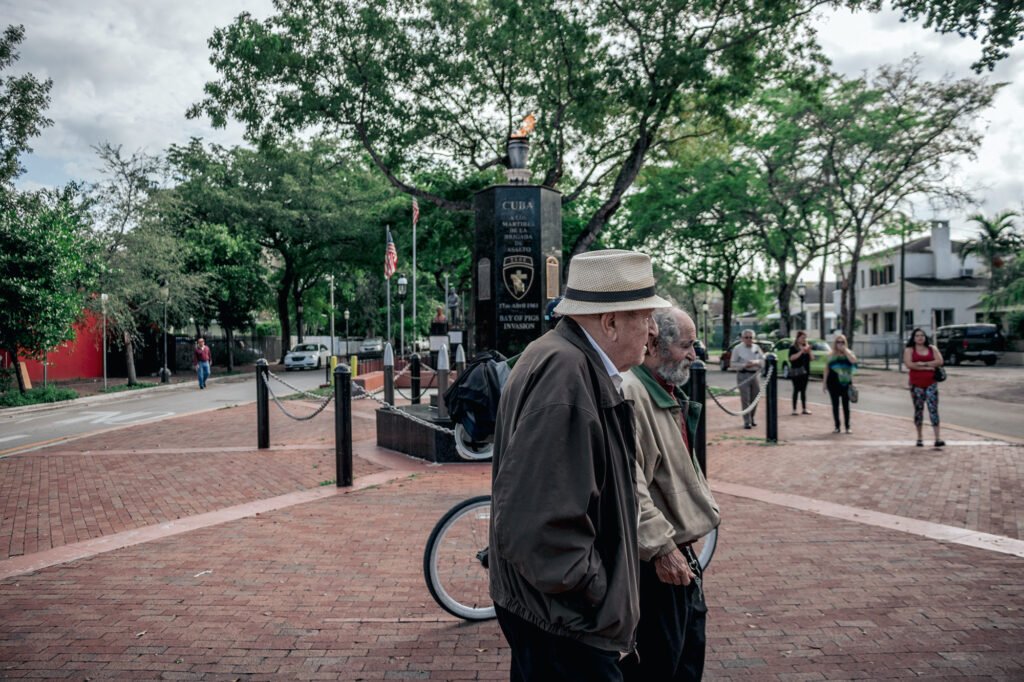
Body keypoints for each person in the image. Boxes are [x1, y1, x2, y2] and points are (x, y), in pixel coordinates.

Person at [489, 249, 670, 682]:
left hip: (557, 615)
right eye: (644, 317)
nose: (652, 331)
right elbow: (538, 522)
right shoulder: (566, 374)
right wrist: (596, 592)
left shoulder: (565, 359)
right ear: (609, 323)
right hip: (565, 622)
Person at [620, 308, 720, 682]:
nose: (695, 354)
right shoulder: (633, 392)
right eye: (687, 345)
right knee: (663, 664)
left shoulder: (660, 389)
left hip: (676, 554)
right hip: (659, 561)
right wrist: (662, 549)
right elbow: (630, 484)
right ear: (653, 345)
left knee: (686, 657)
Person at [903, 328, 945, 447]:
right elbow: (909, 364)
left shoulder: (932, 348)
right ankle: (919, 437)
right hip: (916, 384)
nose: (920, 338)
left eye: (922, 335)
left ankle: (937, 438)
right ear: (913, 338)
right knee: (918, 410)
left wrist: (924, 363)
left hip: (931, 383)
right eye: (917, 336)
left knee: (933, 409)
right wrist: (928, 367)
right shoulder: (909, 350)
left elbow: (940, 361)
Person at [822, 334, 857, 434]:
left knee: (846, 405)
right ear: (835, 343)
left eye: (842, 342)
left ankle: (847, 427)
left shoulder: (849, 353)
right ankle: (837, 426)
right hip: (833, 382)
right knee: (835, 405)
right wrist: (824, 383)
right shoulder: (831, 355)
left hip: (846, 382)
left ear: (845, 343)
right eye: (838, 342)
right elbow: (826, 369)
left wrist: (845, 351)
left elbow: (854, 361)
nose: (840, 344)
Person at [729, 330, 764, 429]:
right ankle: (747, 421)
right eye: (747, 337)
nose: (749, 339)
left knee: (755, 398)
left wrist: (756, 362)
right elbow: (732, 364)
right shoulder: (737, 349)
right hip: (743, 375)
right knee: (746, 399)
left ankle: (752, 418)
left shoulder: (756, 348)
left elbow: (763, 360)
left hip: (755, 375)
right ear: (742, 338)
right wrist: (745, 365)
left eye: (751, 337)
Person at [788, 330, 813, 416]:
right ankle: (794, 409)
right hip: (796, 371)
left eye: (805, 338)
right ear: (798, 338)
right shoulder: (793, 347)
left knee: (803, 390)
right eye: (802, 337)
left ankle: (804, 408)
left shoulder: (806, 347)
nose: (804, 339)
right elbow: (791, 358)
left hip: (805, 371)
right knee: (796, 389)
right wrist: (801, 351)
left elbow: (812, 358)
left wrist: (809, 351)